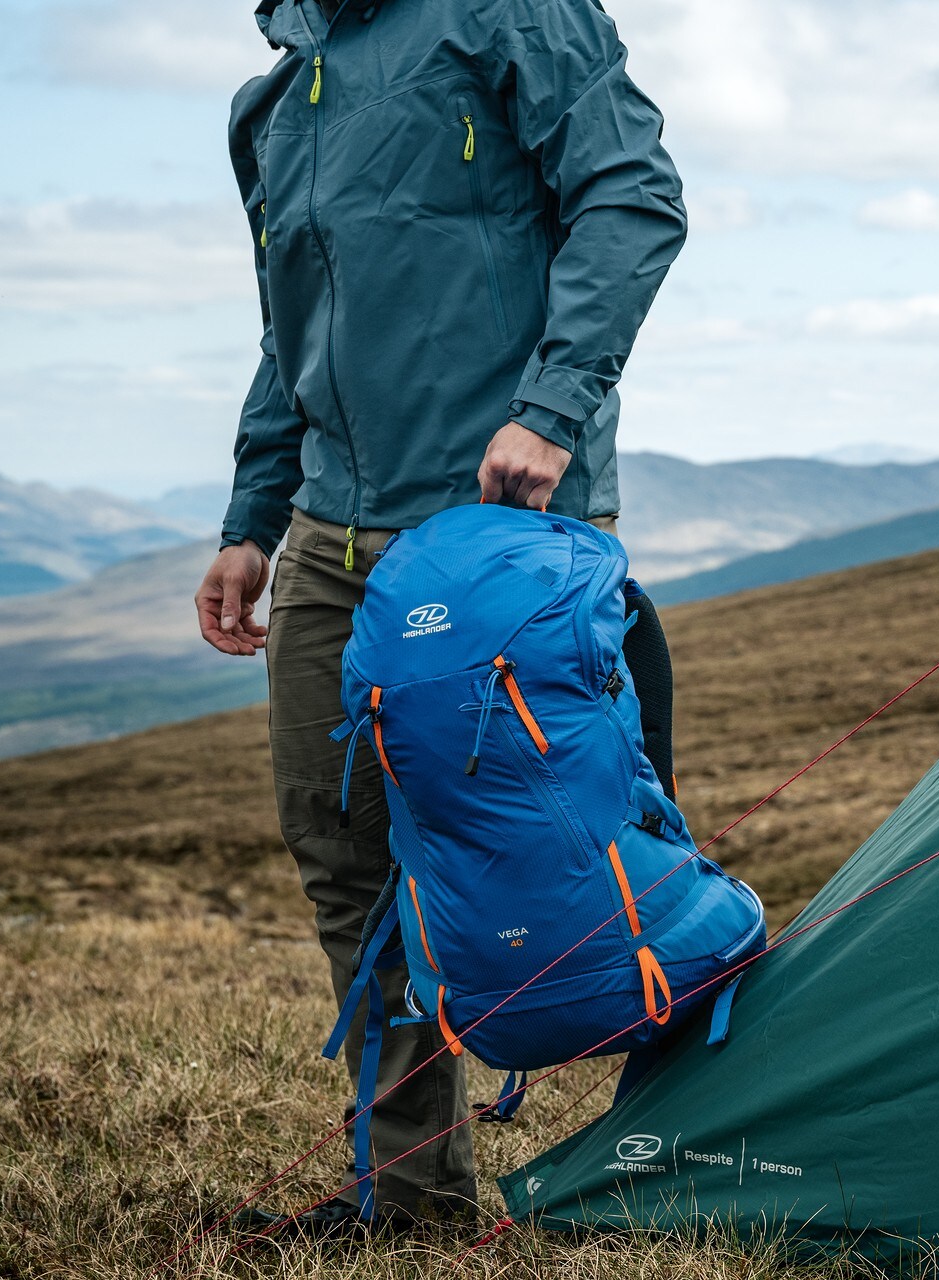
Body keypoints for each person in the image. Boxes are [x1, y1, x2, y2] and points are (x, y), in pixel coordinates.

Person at [192, 0, 686, 1233]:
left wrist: (554, 407)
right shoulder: (272, 101)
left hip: (489, 538)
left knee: (585, 858)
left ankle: (693, 1159)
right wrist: (253, 520)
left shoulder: (504, 13)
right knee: (347, 867)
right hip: (327, 539)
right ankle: (413, 1201)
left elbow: (633, 195)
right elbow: (289, 333)